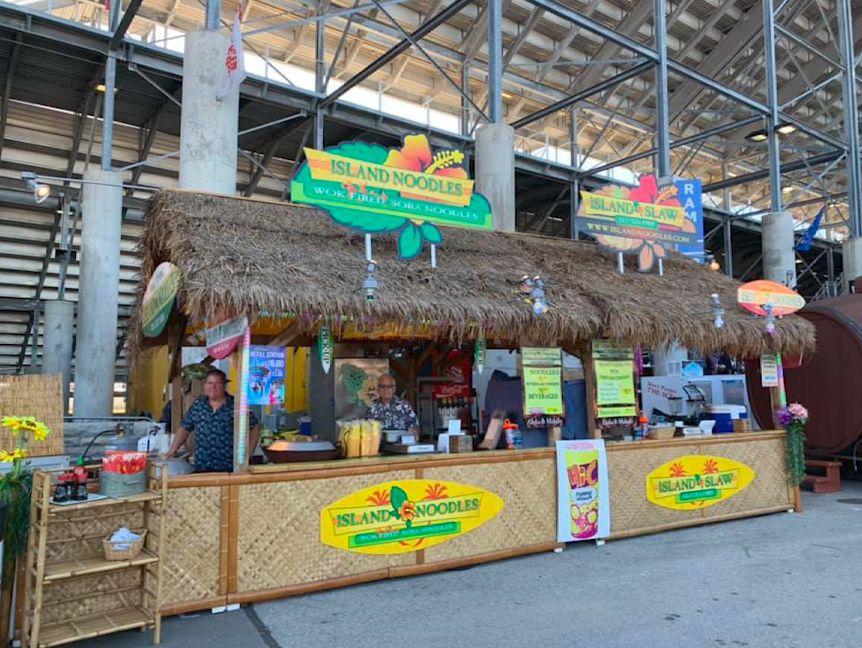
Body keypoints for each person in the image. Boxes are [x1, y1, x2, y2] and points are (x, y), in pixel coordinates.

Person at [164, 368, 260, 472]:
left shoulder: (236, 405)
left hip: (230, 468)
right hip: (202, 467)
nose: (213, 387)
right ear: (205, 385)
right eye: (210, 383)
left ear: (224, 386)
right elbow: (184, 428)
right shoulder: (198, 405)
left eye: (217, 383)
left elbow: (255, 427)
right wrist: (173, 450)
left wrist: (248, 453)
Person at [366, 374, 419, 441]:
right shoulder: (372, 406)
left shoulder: (404, 405)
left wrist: (415, 431)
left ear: (394, 389)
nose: (386, 390)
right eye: (382, 387)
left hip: (401, 446)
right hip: (380, 447)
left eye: (389, 387)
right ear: (378, 389)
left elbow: (414, 425)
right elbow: (368, 428)